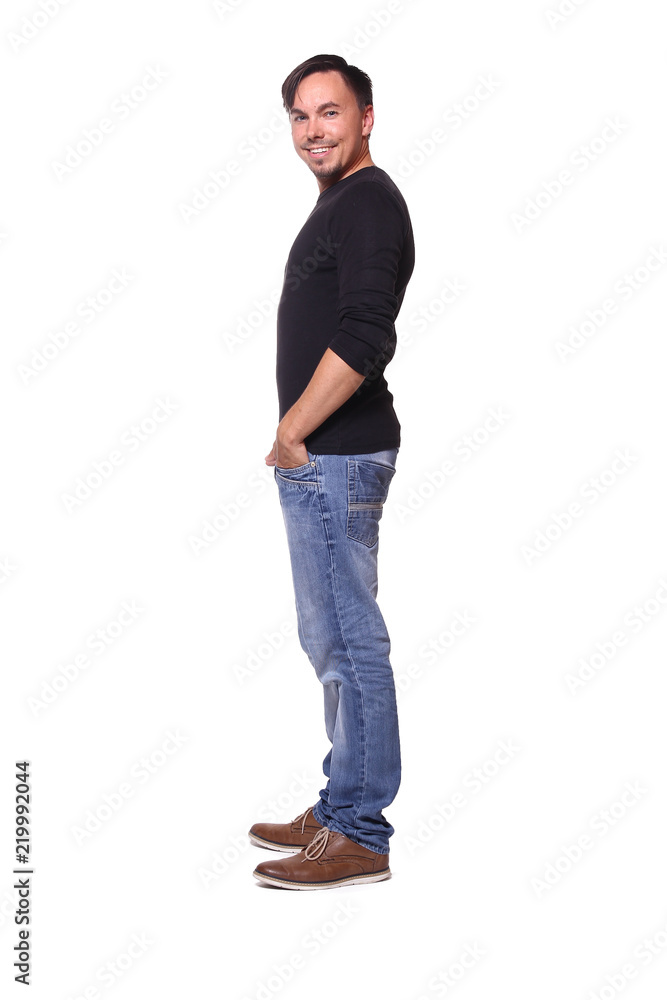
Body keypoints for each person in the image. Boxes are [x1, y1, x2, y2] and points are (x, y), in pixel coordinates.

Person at [249, 53, 415, 890]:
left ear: (366, 117)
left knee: (350, 639)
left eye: (330, 112)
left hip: (336, 456)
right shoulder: (343, 202)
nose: (312, 130)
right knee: (330, 639)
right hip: (327, 457)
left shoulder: (368, 203)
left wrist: (291, 430)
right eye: (299, 115)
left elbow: (364, 334)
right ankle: (340, 800)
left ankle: (359, 832)